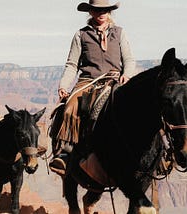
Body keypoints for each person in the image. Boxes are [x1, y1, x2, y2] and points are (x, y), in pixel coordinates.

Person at [49, 0, 138, 176]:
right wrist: (64, 85)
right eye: (97, 10)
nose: (101, 13)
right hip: (88, 81)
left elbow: (129, 60)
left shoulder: (119, 33)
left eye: (105, 9)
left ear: (110, 11)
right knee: (70, 107)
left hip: (114, 80)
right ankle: (66, 153)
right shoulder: (80, 35)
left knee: (137, 108)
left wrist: (126, 74)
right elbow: (72, 64)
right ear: (90, 12)